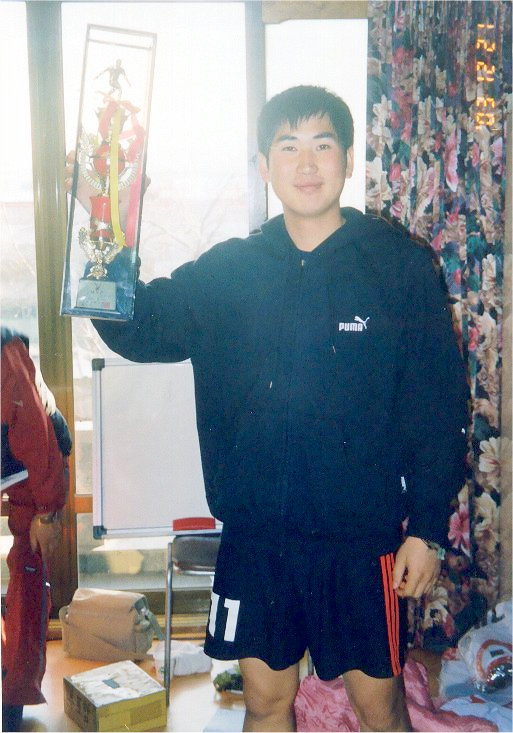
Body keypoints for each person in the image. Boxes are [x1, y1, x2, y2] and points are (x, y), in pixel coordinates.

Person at [87, 86, 469, 732]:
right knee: (265, 703)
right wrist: (105, 232)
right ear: (264, 165)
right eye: (287, 147)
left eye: (322, 144)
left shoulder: (398, 268)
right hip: (258, 538)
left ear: (347, 158)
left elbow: (436, 407)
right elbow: (142, 326)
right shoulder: (230, 272)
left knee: (379, 709)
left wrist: (426, 528)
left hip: (359, 539)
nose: (306, 163)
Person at [1, 328, 72, 732]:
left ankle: (14, 698)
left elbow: (38, 438)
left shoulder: (4, 358)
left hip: (36, 475)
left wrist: (48, 514)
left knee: (27, 584)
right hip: (13, 464)